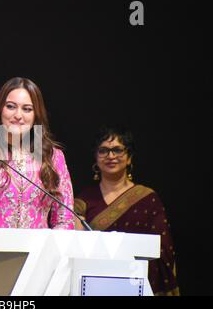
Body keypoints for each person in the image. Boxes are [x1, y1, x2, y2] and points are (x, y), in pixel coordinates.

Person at [0, 77, 75, 232]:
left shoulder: (53, 157)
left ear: (36, 115)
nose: (18, 115)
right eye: (11, 107)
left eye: (27, 109)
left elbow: (65, 218)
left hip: (40, 253)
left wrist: (47, 247)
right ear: (0, 110)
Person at [74, 126, 179, 296]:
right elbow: (75, 247)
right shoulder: (83, 200)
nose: (111, 156)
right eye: (103, 151)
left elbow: (163, 250)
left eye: (117, 150)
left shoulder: (148, 199)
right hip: (96, 283)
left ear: (129, 157)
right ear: (96, 157)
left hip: (138, 284)